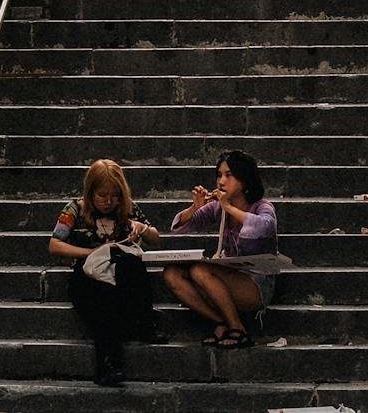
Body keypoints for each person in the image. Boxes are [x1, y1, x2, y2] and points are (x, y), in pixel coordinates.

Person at [49, 159, 163, 386]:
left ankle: (145, 322)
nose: (109, 201)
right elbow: (54, 245)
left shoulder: (127, 208)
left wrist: (142, 228)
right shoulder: (75, 209)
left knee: (132, 264)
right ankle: (108, 365)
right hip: (88, 274)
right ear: (91, 192)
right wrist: (92, 251)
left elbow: (155, 237)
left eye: (115, 196)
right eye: (102, 196)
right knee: (104, 302)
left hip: (121, 274)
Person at [163, 150, 279, 349]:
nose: (221, 181)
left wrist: (230, 208)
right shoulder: (217, 207)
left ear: (244, 180)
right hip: (224, 278)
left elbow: (264, 226)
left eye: (228, 175)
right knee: (172, 274)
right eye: (219, 175)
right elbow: (179, 227)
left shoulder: (261, 206)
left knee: (200, 270)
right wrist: (195, 207)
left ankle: (237, 328)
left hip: (256, 284)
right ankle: (221, 321)